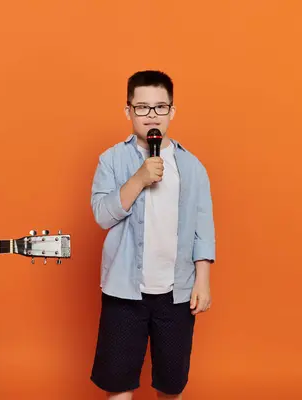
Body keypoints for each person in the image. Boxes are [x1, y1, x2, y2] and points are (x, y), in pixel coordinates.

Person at [89, 70, 215, 400]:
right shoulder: (112, 160)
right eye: (142, 107)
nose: (151, 115)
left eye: (159, 107)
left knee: (171, 385)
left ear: (172, 111)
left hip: (176, 293)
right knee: (118, 383)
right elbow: (102, 216)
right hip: (123, 289)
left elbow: (204, 228)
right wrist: (138, 179)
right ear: (128, 110)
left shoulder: (192, 167)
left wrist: (202, 281)